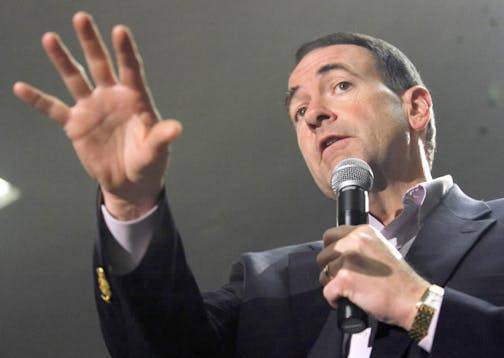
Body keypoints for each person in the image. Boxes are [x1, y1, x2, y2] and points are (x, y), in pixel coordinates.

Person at [13, 11, 504, 358]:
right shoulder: (269, 283)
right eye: (297, 109)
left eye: (340, 86)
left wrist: (416, 306)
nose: (313, 113)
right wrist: (130, 203)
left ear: (415, 107)